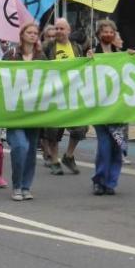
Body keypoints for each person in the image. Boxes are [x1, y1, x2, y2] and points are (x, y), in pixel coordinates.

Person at [3, 23, 45, 201]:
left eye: (35, 33)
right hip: (15, 111)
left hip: (34, 111)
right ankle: (17, 185)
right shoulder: (11, 55)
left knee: (31, 152)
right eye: (29, 32)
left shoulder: (42, 56)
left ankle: (26, 186)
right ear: (22, 35)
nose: (33, 35)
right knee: (20, 146)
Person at [40, 18, 87, 175]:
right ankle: (54, 160)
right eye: (57, 28)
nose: (59, 31)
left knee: (81, 127)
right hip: (54, 94)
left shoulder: (77, 47)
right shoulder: (48, 47)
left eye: (62, 28)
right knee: (53, 130)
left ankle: (69, 155)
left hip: (73, 94)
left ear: (68, 30)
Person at [91, 19, 128, 196]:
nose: (108, 34)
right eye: (104, 32)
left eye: (111, 32)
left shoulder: (120, 55)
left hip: (118, 108)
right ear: (98, 34)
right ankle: (99, 180)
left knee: (117, 146)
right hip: (100, 107)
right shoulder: (92, 53)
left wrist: (131, 57)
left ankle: (111, 182)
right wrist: (87, 59)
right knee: (104, 146)